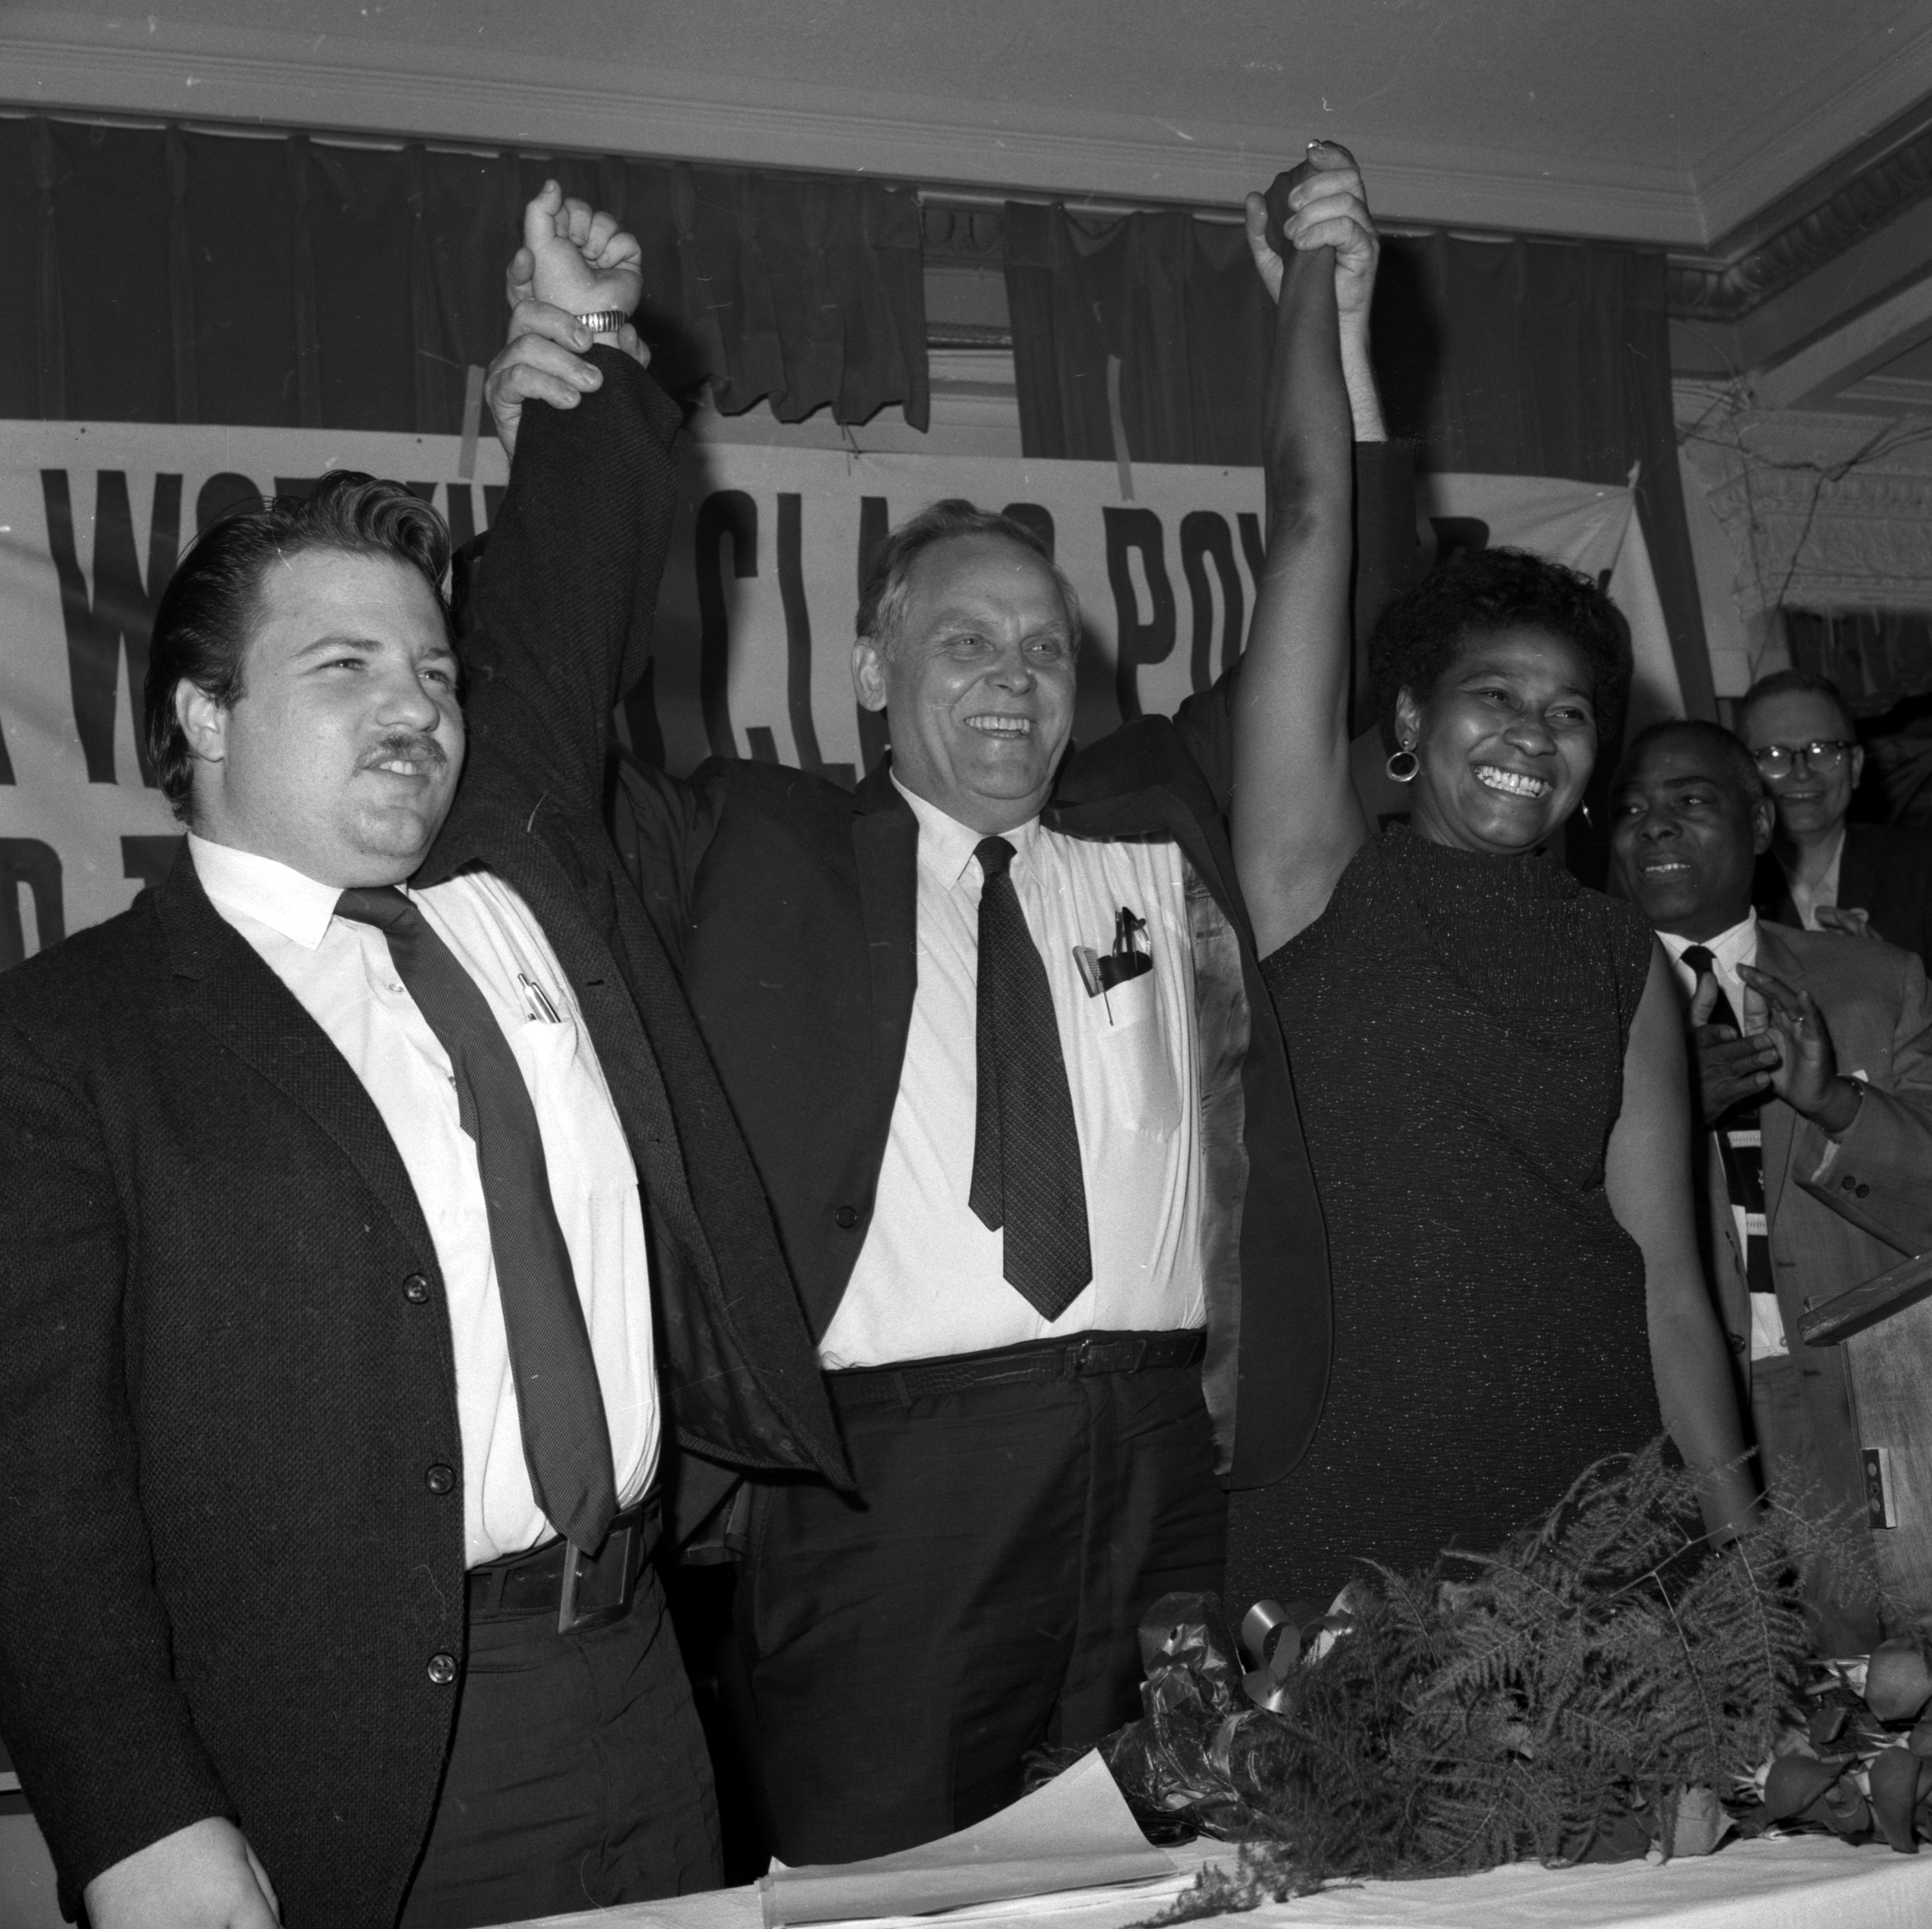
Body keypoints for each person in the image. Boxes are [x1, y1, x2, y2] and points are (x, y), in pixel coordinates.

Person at [477, 145, 1403, 1865]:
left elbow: (1322, 593)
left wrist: (1330, 333)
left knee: (1183, 1870)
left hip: (1170, 1473)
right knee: (883, 1887)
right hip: (882, 1495)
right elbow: (531, 740)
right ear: (869, 671)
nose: (1013, 677)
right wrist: (578, 390)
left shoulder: (1159, 828)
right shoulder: (746, 846)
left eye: (1044, 648)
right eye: (965, 641)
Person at [0, 187, 848, 1929]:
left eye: (435, 670)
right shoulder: (72, 1038)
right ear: (201, 713)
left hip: (638, 1680)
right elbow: (34, 1482)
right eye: (344, 666)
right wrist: (134, 1819)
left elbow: (572, 577)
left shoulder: (513, 863)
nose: (416, 704)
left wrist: (583, 341)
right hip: (342, 1756)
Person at [1209, 296, 1758, 1617]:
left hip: (1599, 1508)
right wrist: (1312, 285)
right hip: (1348, 1494)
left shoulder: (1614, 952)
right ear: (1407, 717)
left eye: (1567, 712)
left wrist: (1751, 1579)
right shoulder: (1315, 879)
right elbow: (1307, 522)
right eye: (1493, 696)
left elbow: (1668, 1293)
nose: (1531, 732)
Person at [1610, 718, 1932, 1649]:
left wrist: (1837, 1105)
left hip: (1876, 1406)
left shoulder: (1876, 982)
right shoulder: (1573, 1011)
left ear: (1759, 824)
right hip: (1678, 1426)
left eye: (1690, 800)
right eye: (1630, 808)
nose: (1655, 825)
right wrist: (1666, 1114)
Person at [1744, 667, 1932, 970]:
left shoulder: (1921, 868)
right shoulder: (1729, 885)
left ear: (1855, 766)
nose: (1802, 773)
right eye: (1774, 755)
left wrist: (1891, 976)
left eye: (1823, 750)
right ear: (1744, 776)